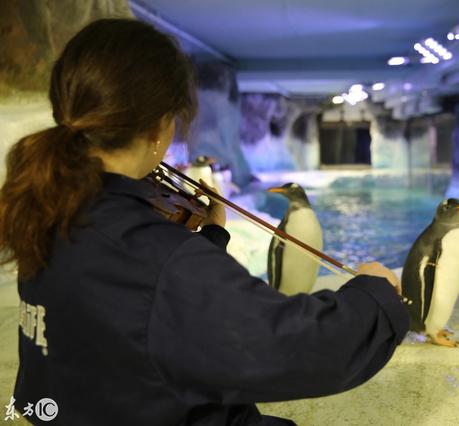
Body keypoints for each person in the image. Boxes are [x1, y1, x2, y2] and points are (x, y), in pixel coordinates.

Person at [0, 19, 408, 425]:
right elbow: (294, 346)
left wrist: (209, 236)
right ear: (161, 127)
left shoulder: (44, 212)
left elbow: (134, 312)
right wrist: (375, 299)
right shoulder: (153, 255)